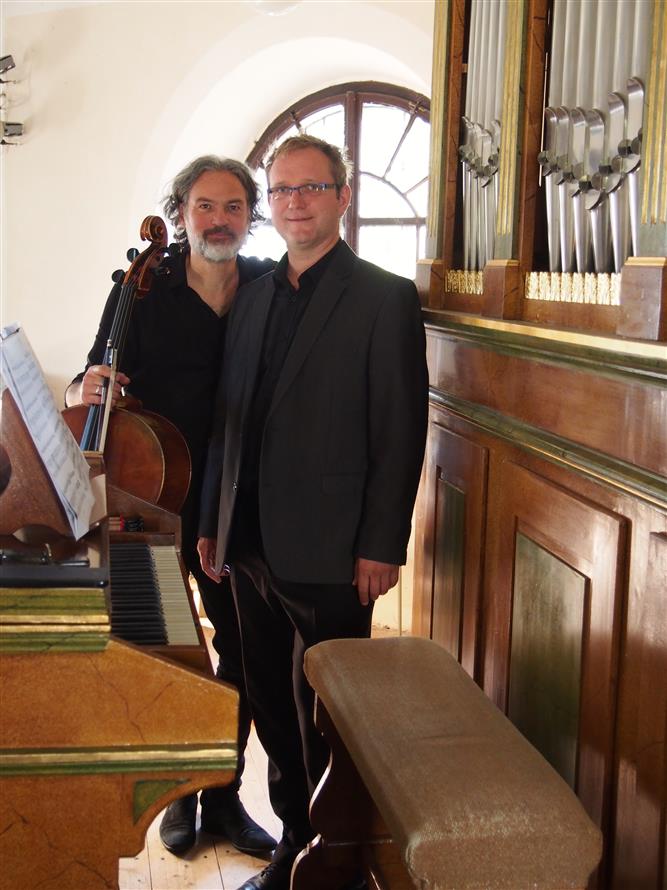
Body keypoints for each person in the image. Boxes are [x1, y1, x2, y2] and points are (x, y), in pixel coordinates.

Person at [198, 135, 429, 890]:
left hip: (333, 545)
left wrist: (381, 543)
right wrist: (213, 520)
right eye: (282, 190)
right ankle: (295, 845)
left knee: (327, 712)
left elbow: (400, 429)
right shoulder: (253, 293)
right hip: (248, 540)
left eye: (311, 188)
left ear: (342, 197)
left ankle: (339, 859)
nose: (294, 202)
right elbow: (228, 418)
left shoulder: (384, 297)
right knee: (269, 699)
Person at [65, 155, 277, 859]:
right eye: (204, 206)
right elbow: (89, 378)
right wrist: (86, 387)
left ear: (250, 216)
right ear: (181, 214)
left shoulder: (270, 286)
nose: (219, 220)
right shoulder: (143, 289)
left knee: (241, 651)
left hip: (238, 503)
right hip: (151, 499)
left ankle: (224, 796)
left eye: (233, 206)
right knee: (165, 652)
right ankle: (180, 795)